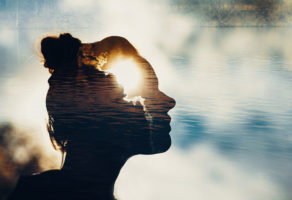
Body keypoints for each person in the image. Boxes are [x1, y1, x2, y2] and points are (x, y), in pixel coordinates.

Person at [8, 33, 175, 200]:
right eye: (122, 98)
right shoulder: (35, 194)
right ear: (96, 122)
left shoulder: (39, 191)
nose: (170, 102)